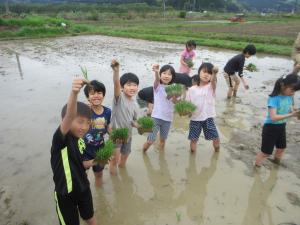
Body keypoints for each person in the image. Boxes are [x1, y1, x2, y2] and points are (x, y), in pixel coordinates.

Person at [50, 78, 97, 225]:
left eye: (88, 123)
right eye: (80, 122)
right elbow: (70, 116)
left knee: (90, 217)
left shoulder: (81, 140)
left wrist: (95, 162)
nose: (84, 127)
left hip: (83, 188)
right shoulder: (61, 140)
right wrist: (74, 92)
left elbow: (80, 164)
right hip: (65, 195)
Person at [255, 73, 299, 167]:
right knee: (265, 153)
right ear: (283, 85)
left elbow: (291, 107)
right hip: (271, 128)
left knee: (281, 149)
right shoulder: (274, 98)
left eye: (295, 91)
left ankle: (276, 164)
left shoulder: (289, 96)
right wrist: (291, 114)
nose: (293, 93)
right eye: (292, 90)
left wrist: (295, 111)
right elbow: (273, 117)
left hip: (282, 126)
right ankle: (256, 168)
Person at [110, 59, 140, 174]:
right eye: (129, 85)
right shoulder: (119, 98)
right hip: (116, 135)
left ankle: (122, 173)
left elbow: (133, 121)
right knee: (114, 160)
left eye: (135, 85)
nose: (132, 87)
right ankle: (115, 181)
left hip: (128, 135)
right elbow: (116, 84)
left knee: (125, 156)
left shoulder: (135, 103)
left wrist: (138, 125)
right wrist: (116, 71)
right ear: (122, 87)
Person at [186, 63, 220, 153]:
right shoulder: (191, 89)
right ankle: (192, 157)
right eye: (204, 72)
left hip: (208, 118)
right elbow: (188, 106)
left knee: (215, 138)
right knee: (194, 139)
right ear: (199, 72)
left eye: (209, 73)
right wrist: (187, 112)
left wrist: (215, 73)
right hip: (195, 119)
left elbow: (214, 82)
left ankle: (217, 152)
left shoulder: (211, 87)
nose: (206, 74)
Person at [82, 80, 111, 187]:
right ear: (87, 97)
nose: (96, 96)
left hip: (100, 147)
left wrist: (115, 136)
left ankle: (99, 193)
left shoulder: (107, 111)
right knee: (82, 175)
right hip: (84, 148)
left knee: (99, 174)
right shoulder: (84, 110)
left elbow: (108, 127)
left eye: (99, 93)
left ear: (103, 95)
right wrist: (83, 109)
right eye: (92, 93)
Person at [143, 64, 177, 152]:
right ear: (161, 74)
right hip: (156, 117)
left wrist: (175, 95)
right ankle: (143, 152)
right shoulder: (157, 87)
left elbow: (174, 102)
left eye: (169, 74)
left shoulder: (174, 87)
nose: (166, 76)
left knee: (163, 140)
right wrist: (156, 72)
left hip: (168, 119)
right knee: (150, 140)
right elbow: (157, 80)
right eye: (164, 73)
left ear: (172, 77)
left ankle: (161, 156)